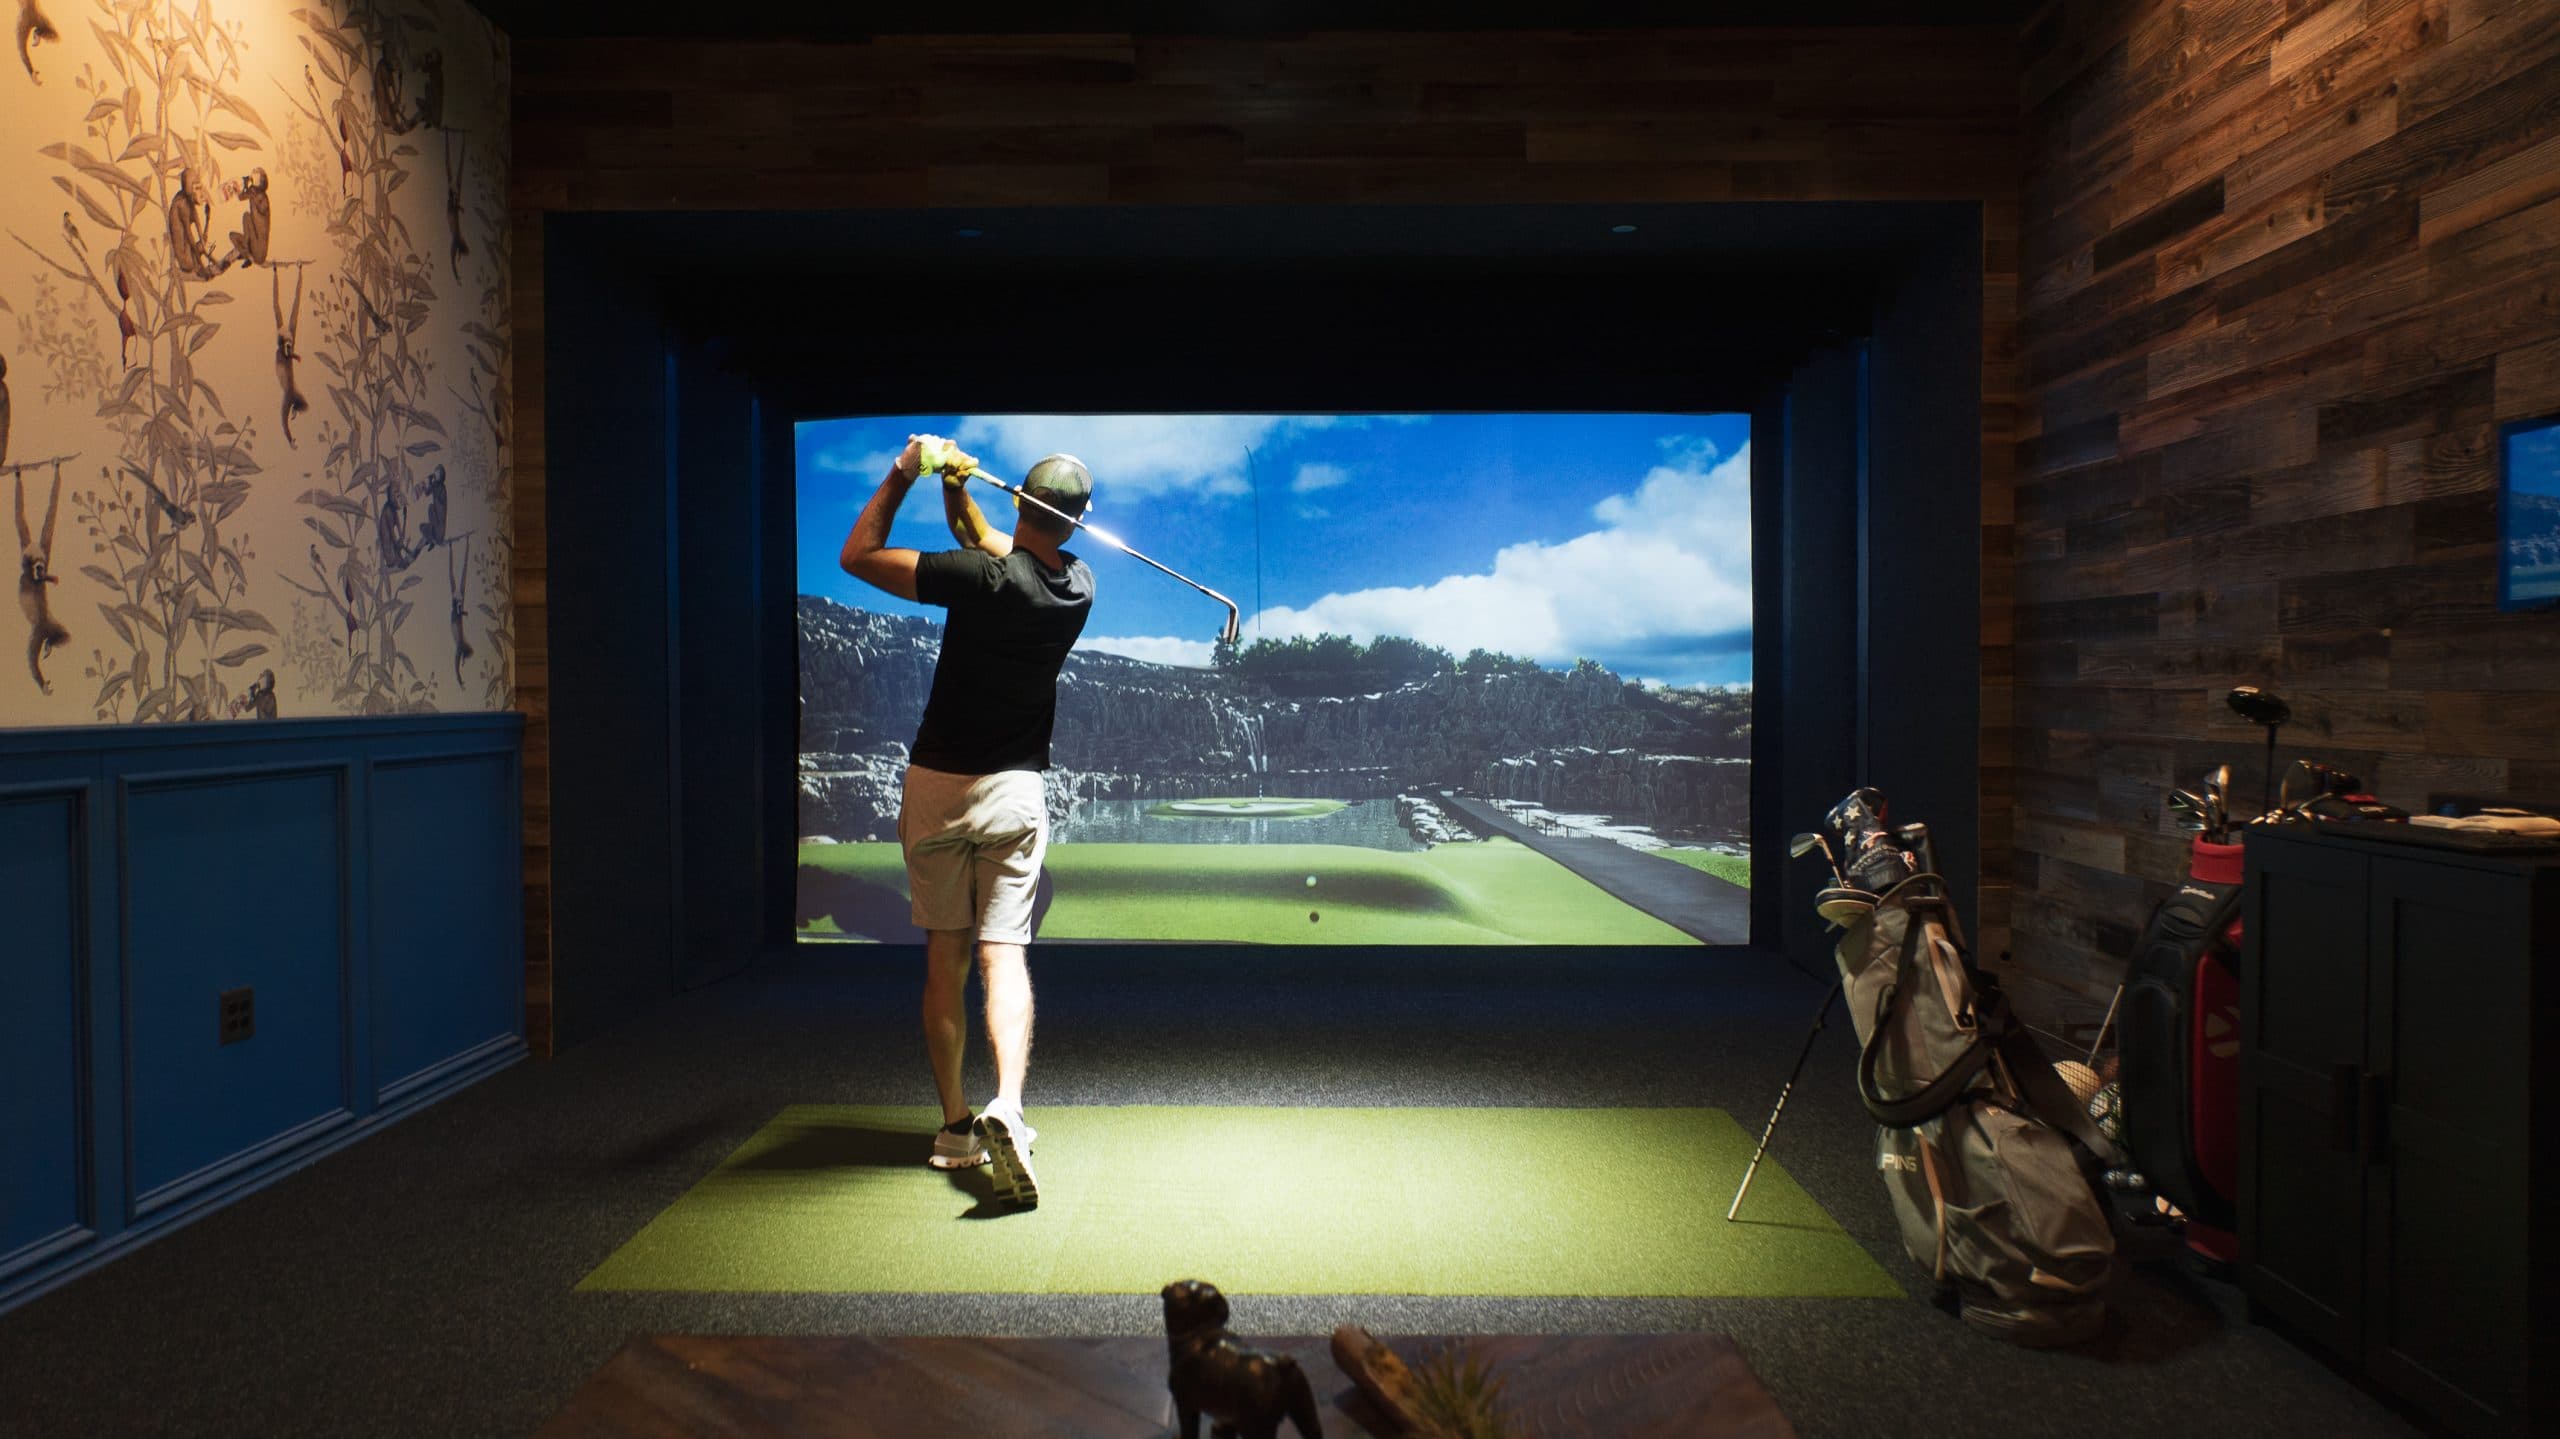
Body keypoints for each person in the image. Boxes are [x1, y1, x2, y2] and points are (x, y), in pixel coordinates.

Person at [839, 433, 1095, 1210]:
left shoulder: (976, 578)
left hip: (938, 786)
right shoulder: (1076, 585)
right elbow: (985, 539)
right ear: (1077, 521)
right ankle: (1008, 1105)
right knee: (1003, 954)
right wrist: (957, 484)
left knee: (944, 957)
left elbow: (858, 554)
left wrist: (907, 470)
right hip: (1014, 791)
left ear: (1020, 500)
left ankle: (956, 1126)